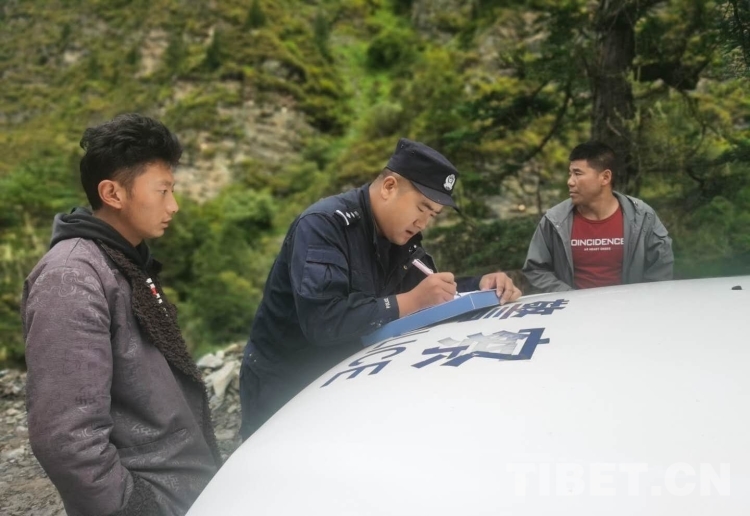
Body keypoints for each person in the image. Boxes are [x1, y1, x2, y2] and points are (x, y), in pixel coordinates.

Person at [239, 137, 523, 440]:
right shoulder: (324, 226)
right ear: (389, 187)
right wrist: (410, 301)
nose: (423, 223)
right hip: (283, 381)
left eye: (433, 215)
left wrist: (480, 284)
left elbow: (429, 288)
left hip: (341, 377)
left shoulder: (400, 237)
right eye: (422, 207)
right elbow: (323, 320)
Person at [21, 114, 221, 516]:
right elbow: (67, 438)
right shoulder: (71, 276)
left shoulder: (126, 260)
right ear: (112, 193)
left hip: (183, 489)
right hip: (151, 499)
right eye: (162, 191)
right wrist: (137, 507)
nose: (174, 205)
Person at [523, 141, 674, 292]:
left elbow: (661, 267)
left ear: (605, 177)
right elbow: (536, 269)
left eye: (577, 174)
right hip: (574, 306)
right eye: (570, 174)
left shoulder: (642, 216)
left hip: (629, 305)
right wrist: (569, 296)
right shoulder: (555, 220)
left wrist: (638, 299)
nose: (570, 182)